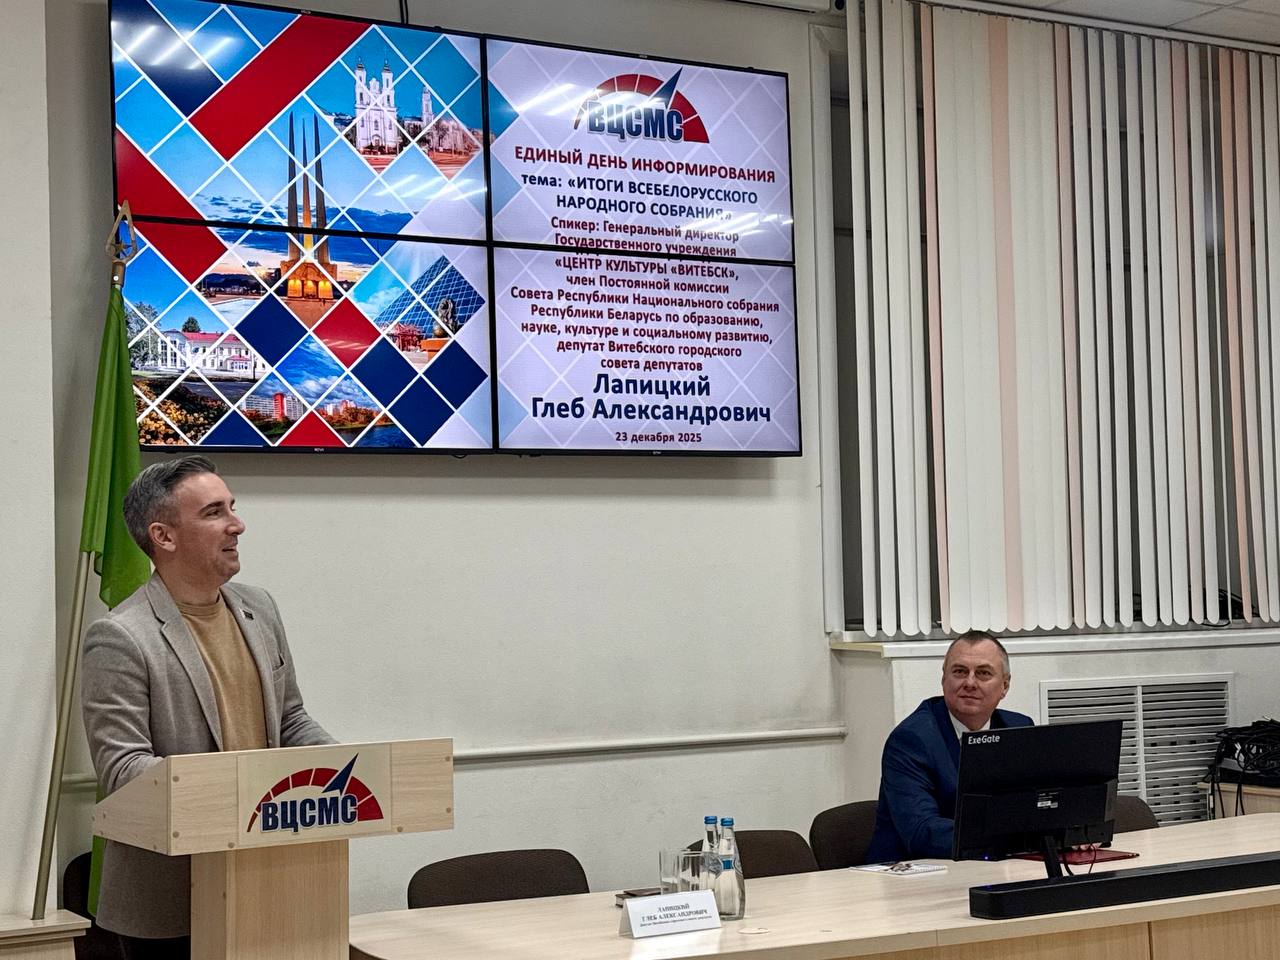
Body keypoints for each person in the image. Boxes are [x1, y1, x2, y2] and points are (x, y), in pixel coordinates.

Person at [80, 456, 334, 959]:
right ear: (164, 536)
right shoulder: (119, 637)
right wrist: (242, 794)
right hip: (169, 899)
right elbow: (124, 770)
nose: (237, 525)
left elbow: (290, 719)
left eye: (232, 508)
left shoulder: (259, 607)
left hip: (267, 880)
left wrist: (345, 768)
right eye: (215, 512)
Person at [864, 631, 1032, 863]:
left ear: (1005, 685)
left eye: (983, 673)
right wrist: (1012, 838)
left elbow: (1038, 804)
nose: (970, 683)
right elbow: (922, 832)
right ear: (944, 679)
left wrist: (1068, 830)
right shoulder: (911, 739)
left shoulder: (1018, 729)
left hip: (990, 865)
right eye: (960, 671)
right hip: (913, 872)